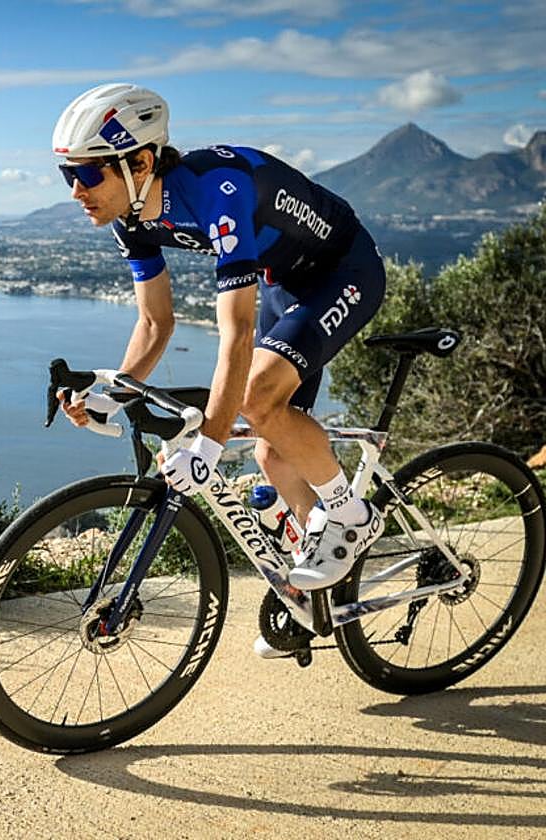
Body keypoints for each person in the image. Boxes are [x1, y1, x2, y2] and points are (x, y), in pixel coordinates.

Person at [52, 82, 386, 598]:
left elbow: (237, 333)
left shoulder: (217, 191)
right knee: (274, 455)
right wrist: (110, 397)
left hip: (344, 271)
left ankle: (352, 517)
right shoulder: (131, 220)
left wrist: (208, 444)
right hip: (284, 281)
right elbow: (155, 324)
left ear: (140, 163)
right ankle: (314, 599)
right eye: (68, 174)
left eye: (89, 173)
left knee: (258, 398)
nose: (76, 190)